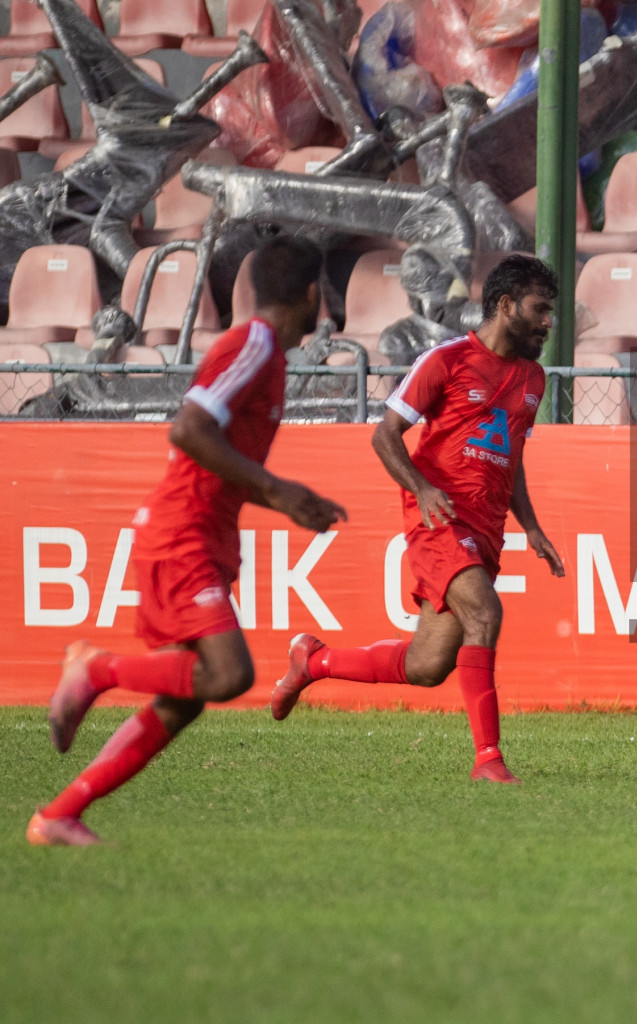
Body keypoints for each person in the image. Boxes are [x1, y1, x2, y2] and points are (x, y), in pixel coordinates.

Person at [29, 236, 347, 846]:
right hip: (183, 535)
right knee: (228, 676)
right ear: (313, 293)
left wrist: (288, 498)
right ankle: (98, 669)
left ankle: (58, 815)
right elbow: (189, 430)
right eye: (324, 290)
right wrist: (281, 492)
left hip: (203, 534)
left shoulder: (270, 357)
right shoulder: (254, 344)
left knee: (186, 698)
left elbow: (222, 457)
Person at [269, 254, 565, 784]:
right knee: (485, 615)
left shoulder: (533, 378)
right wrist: (423, 489)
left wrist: (533, 527)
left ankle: (313, 661)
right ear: (505, 305)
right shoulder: (445, 360)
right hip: (439, 519)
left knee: (428, 666)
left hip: (486, 528)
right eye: (540, 309)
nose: (549, 322)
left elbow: (513, 456)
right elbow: (384, 436)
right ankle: (489, 762)